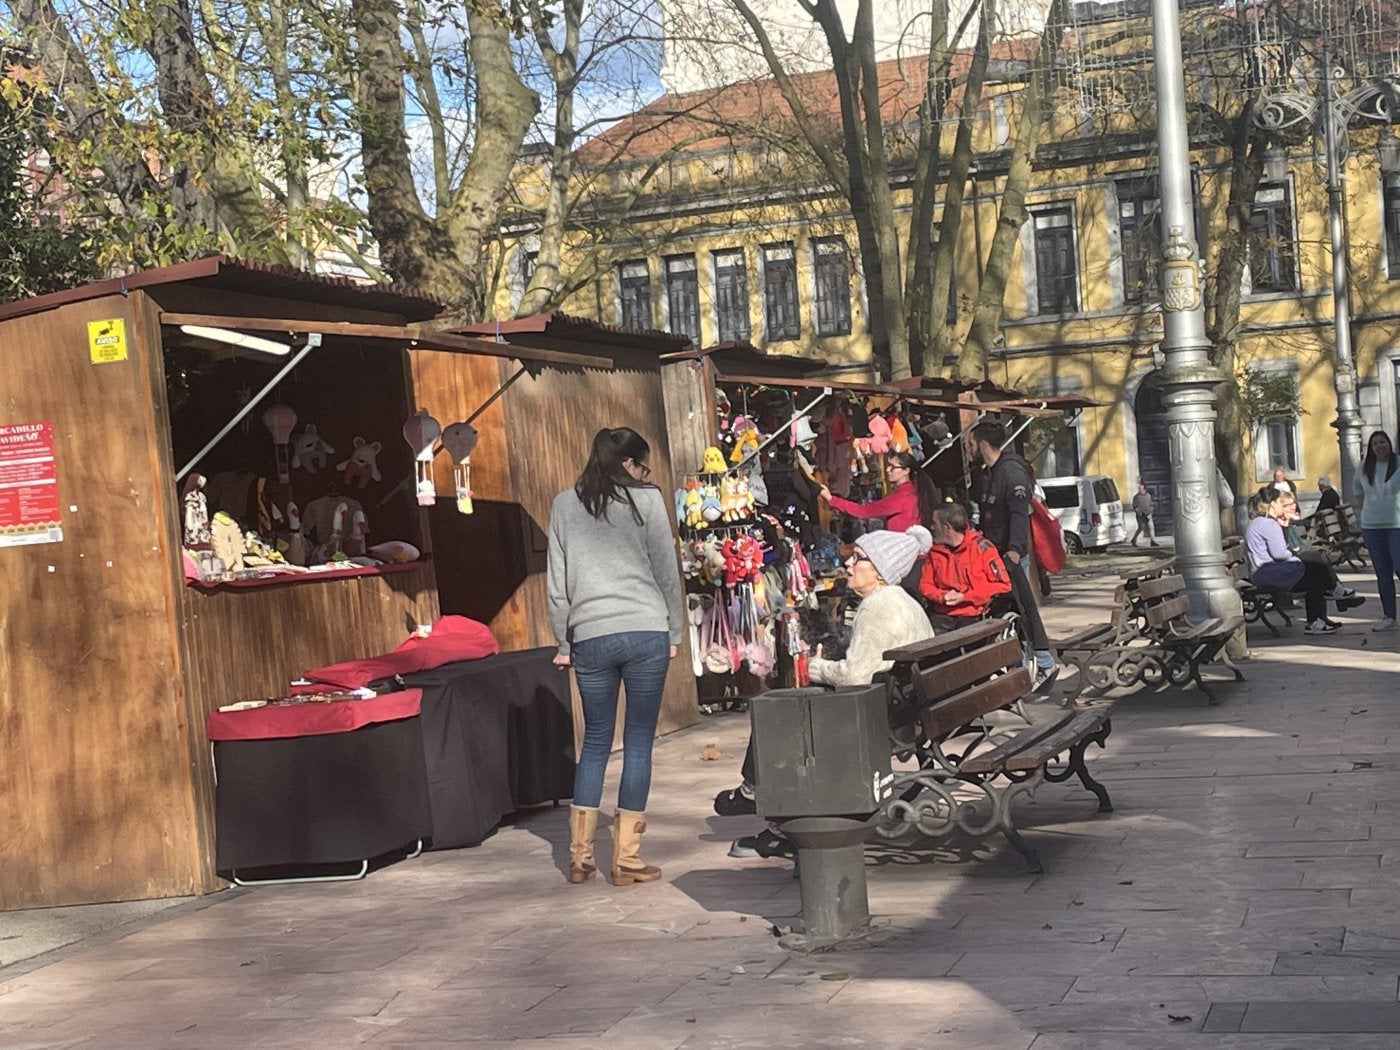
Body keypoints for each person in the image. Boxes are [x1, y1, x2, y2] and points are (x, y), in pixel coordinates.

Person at [716, 527, 936, 858]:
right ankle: (761, 800)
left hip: (881, 719)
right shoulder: (901, 601)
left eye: (858, 558)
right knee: (792, 708)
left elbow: (856, 676)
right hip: (902, 708)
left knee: (783, 715)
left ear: (879, 571)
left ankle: (762, 803)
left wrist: (818, 668)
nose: (848, 563)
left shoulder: (879, 607)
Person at [548, 427, 684, 886]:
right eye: (642, 465)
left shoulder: (565, 503)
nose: (644, 474)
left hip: (590, 635)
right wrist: (676, 632)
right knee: (639, 742)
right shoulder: (647, 502)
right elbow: (667, 570)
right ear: (629, 463)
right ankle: (625, 860)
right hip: (646, 628)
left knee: (596, 743)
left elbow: (556, 583)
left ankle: (579, 857)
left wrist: (565, 642)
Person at [969, 420, 1058, 692]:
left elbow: (1019, 514)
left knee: (1023, 606)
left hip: (1010, 555)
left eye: (971, 443)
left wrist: (1015, 550)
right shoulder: (989, 472)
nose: (968, 448)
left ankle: (1044, 662)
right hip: (994, 554)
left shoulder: (1011, 473)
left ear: (982, 444)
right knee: (1004, 610)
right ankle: (1019, 663)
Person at [1246, 486, 1340, 634]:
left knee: (1315, 564)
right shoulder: (1268, 524)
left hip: (1264, 571)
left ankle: (1321, 615)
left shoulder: (1260, 522)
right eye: (1280, 502)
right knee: (1315, 570)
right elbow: (1279, 554)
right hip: (1266, 573)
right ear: (1272, 504)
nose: (1282, 506)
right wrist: (1293, 554)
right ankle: (1329, 597)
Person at [919, 502, 1012, 632]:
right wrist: (942, 596)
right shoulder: (934, 552)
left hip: (974, 615)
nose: (932, 528)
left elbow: (1003, 586)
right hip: (941, 616)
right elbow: (925, 585)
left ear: (946, 528)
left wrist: (966, 596)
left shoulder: (983, 548)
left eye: (935, 523)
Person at [818, 450, 941, 533]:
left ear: (906, 471)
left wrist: (831, 499)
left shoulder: (903, 496)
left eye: (893, 467)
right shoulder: (913, 492)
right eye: (888, 465)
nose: (887, 470)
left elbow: (864, 511)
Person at [1355, 430, 1400, 633]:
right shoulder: (1365, 467)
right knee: (1383, 573)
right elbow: (1357, 490)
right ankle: (1388, 616)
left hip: (1396, 525)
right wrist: (1369, 508)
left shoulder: (1398, 463)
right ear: (1370, 448)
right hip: (1372, 527)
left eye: (1383, 442)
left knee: (1399, 566)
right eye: (1375, 444)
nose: (1380, 446)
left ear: (1389, 444)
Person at [1130, 482, 1158, 547]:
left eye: (1141, 489)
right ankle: (1134, 539)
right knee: (1141, 528)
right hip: (1140, 515)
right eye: (1139, 489)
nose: (1140, 490)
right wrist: (1138, 513)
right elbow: (1135, 506)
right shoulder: (1136, 497)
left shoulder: (1148, 496)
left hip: (1148, 514)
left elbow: (1151, 504)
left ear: (1145, 489)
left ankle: (1153, 541)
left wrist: (1151, 511)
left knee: (1151, 527)